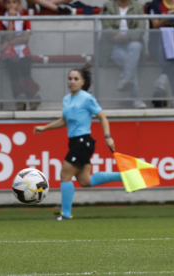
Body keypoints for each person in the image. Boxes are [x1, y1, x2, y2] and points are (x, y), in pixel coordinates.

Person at [33, 64, 123, 220]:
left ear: (83, 82)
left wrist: (108, 136)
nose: (72, 81)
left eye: (76, 79)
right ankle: (123, 176)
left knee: (65, 175)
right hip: (75, 142)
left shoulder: (87, 98)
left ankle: (66, 214)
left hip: (83, 141)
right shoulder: (67, 99)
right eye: (70, 78)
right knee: (85, 181)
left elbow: (102, 117)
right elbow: (64, 120)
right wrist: (45, 128)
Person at [99, 0, 147, 109]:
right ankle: (136, 98)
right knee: (130, 61)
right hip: (112, 43)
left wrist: (127, 36)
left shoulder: (138, 6)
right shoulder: (108, 6)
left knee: (136, 47)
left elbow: (142, 27)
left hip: (131, 40)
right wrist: (116, 35)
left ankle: (125, 79)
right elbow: (106, 26)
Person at [0, 0, 40, 111]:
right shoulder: (1, 19)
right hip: (9, 54)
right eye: (8, 3)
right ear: (5, 5)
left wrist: (9, 42)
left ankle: (32, 100)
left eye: (14, 2)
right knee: (15, 77)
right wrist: (11, 20)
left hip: (24, 52)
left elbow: (26, 37)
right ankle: (19, 102)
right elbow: (8, 36)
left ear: (18, 4)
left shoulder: (24, 18)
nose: (11, 5)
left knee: (26, 75)